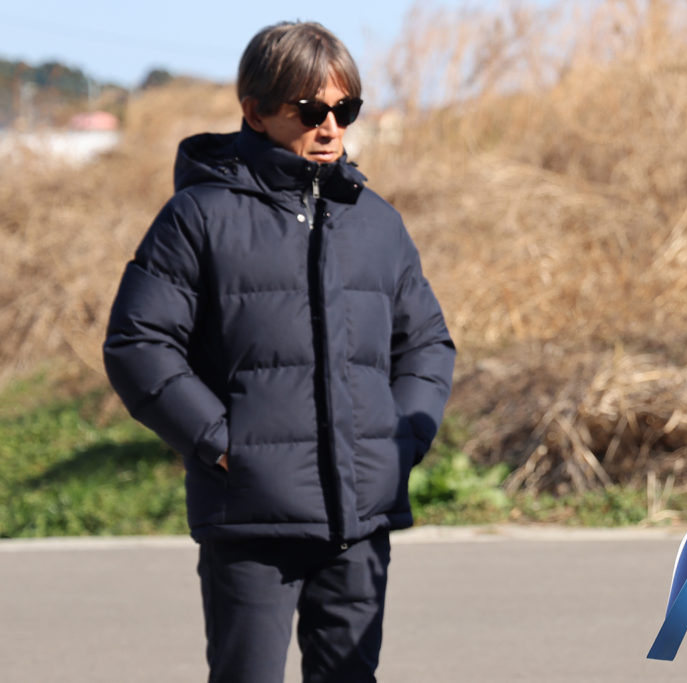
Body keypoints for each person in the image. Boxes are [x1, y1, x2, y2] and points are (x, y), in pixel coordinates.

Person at [103, 21, 455, 683]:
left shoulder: (377, 222)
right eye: (310, 110)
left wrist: (401, 440)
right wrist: (220, 443)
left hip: (360, 517)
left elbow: (426, 344)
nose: (330, 127)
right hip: (250, 519)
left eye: (345, 109)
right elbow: (138, 343)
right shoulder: (199, 217)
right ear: (255, 111)